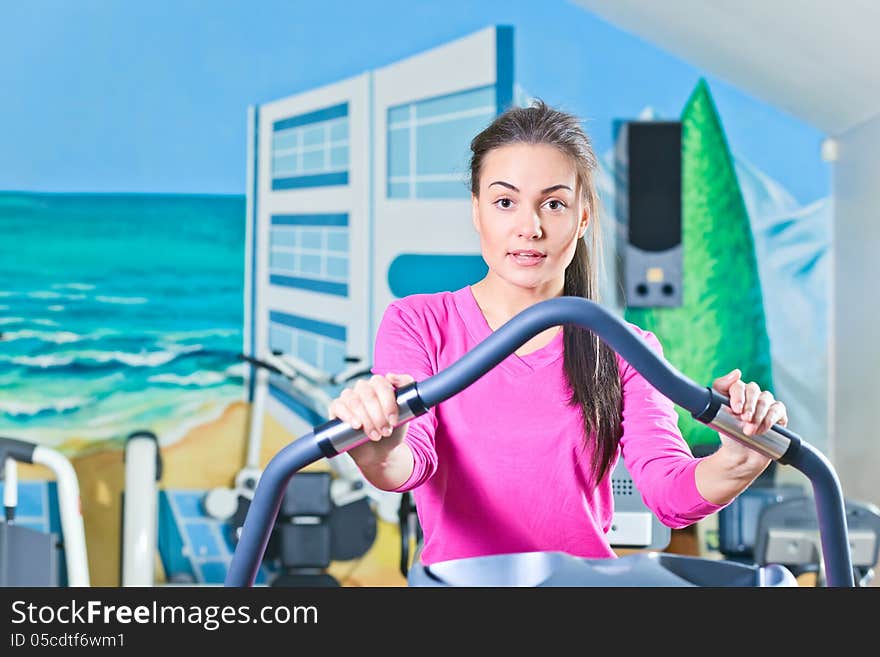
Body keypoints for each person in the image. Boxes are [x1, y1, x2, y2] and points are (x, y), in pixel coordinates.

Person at [327, 100, 788, 567]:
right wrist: (381, 447)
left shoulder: (624, 348)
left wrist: (737, 461)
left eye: (554, 204)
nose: (530, 228)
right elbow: (409, 462)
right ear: (477, 211)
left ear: (582, 217)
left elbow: (668, 490)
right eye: (505, 202)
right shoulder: (419, 323)